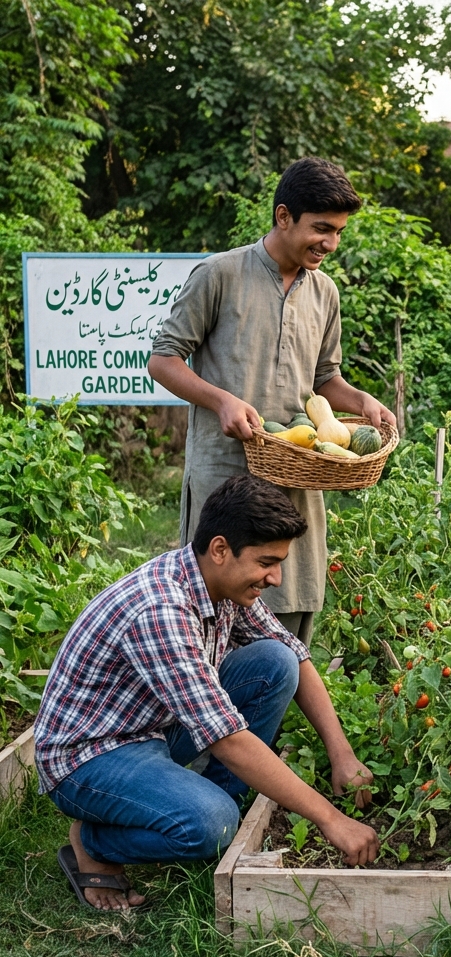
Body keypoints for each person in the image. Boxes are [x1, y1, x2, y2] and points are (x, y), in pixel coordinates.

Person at [34, 475, 380, 913]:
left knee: (276, 662)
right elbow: (228, 739)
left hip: (151, 726)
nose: (275, 577)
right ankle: (94, 843)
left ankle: (200, 806)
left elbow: (296, 654)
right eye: (266, 562)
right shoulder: (162, 609)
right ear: (220, 550)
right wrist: (332, 819)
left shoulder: (223, 585)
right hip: (88, 756)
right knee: (212, 823)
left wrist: (342, 754)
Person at [149, 157, 396, 648]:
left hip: (298, 476)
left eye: (339, 232)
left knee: (289, 607)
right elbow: (163, 360)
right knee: (215, 618)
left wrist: (362, 400)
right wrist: (220, 401)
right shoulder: (219, 274)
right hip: (227, 476)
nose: (331, 244)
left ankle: (270, 723)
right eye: (321, 228)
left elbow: (325, 378)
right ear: (284, 217)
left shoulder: (325, 292)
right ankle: (214, 721)